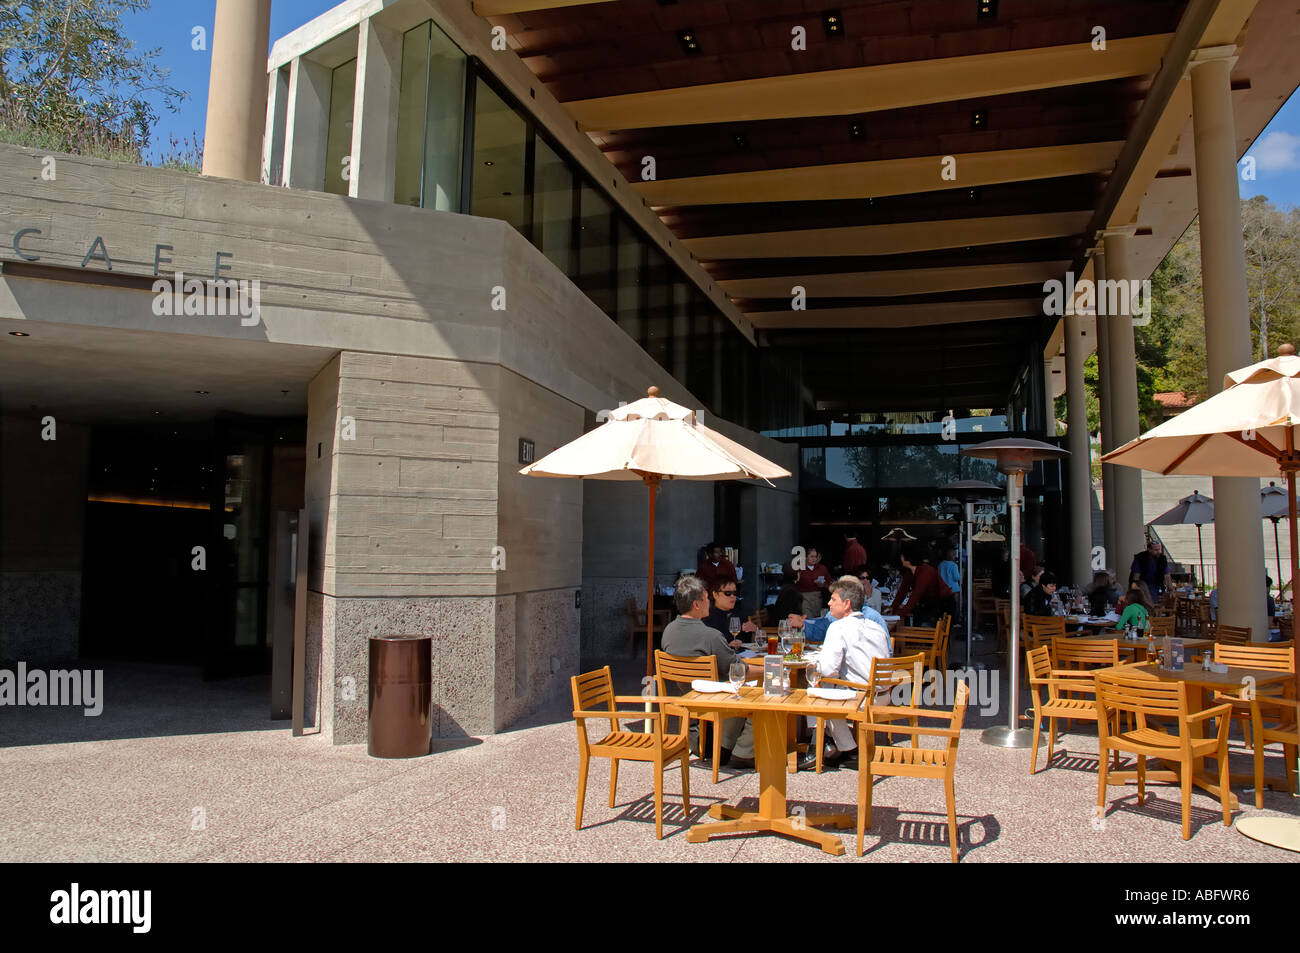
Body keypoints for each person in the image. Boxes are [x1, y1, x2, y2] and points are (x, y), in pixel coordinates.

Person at [797, 576, 893, 770]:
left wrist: (814, 662)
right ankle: (838, 747)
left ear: (847, 604)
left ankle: (820, 747)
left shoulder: (838, 627)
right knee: (826, 685)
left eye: (833, 599)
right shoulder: (876, 627)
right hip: (883, 694)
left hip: (862, 697)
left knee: (815, 689)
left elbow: (826, 669)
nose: (829, 603)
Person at [661, 575, 754, 768]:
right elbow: (739, 670)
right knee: (759, 698)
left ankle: (725, 747)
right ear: (697, 604)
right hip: (712, 697)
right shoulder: (710, 636)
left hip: (687, 694)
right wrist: (771, 669)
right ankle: (742, 751)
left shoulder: (668, 631)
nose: (709, 602)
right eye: (706, 599)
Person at [891, 544, 941, 625]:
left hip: (935, 608)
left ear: (907, 558)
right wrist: (892, 608)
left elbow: (916, 595)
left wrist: (899, 614)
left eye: (901, 556)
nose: (900, 558)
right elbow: (902, 592)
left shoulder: (925, 571)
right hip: (923, 607)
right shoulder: (909, 573)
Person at [796, 546, 831, 617]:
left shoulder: (822, 568)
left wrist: (824, 585)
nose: (814, 559)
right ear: (805, 557)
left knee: (817, 619)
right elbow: (795, 583)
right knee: (807, 618)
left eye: (815, 557)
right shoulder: (799, 569)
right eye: (811, 556)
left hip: (818, 598)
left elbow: (829, 583)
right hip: (804, 598)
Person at [937, 547, 961, 621]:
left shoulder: (940, 564)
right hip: (953, 589)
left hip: (943, 588)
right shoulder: (954, 565)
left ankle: (943, 621)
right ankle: (954, 621)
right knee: (954, 607)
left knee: (943, 608)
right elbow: (956, 578)